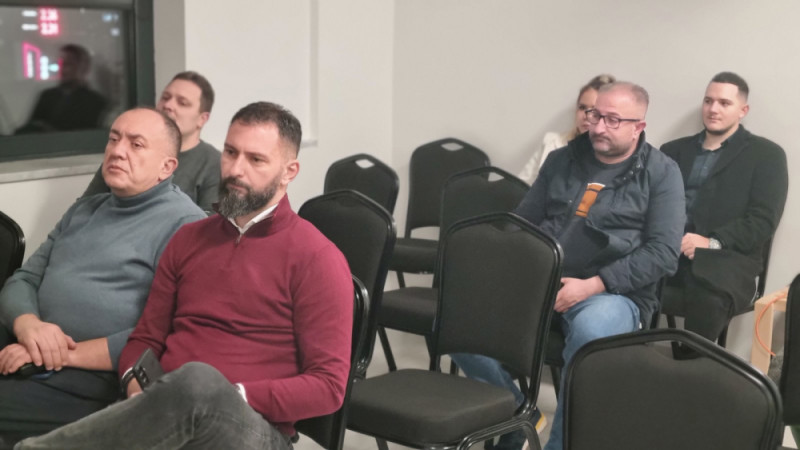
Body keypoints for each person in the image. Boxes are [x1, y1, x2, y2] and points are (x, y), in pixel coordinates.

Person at [16, 102, 354, 450]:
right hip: (167, 409)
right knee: (187, 386)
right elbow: (146, 338)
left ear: (288, 171)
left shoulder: (317, 258)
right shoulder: (189, 238)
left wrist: (229, 395)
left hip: (253, 429)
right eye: (230, 152)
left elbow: (328, 387)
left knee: (199, 380)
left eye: (255, 159)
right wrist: (136, 387)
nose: (236, 169)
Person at [452, 82, 685, 450]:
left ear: (638, 127)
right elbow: (522, 223)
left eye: (612, 120)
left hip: (613, 293)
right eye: (595, 115)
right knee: (457, 314)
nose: (598, 127)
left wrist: (594, 284)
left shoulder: (661, 172)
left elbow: (664, 252)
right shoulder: (562, 160)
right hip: (543, 282)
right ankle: (516, 416)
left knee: (592, 330)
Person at [0, 108, 206, 446]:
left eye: (136, 144)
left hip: (90, 383)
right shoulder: (85, 209)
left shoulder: (187, 228)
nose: (118, 151)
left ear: (167, 167)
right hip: (26, 353)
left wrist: (58, 353)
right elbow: (23, 279)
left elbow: (167, 331)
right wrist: (29, 326)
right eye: (113, 139)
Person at [660, 72, 788, 344]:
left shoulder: (766, 155)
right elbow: (652, 205)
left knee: (708, 295)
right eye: (708, 101)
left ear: (743, 110)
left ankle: (691, 366)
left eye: (724, 103)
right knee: (623, 277)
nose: (713, 109)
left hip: (727, 261)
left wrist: (712, 242)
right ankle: (624, 358)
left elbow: (763, 219)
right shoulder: (672, 151)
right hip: (668, 252)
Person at [83, 71, 221, 213]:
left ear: (202, 119)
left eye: (182, 103)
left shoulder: (215, 163)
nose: (168, 105)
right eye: (165, 98)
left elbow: (211, 223)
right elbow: (84, 207)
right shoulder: (121, 152)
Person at [517, 74, 615, 184]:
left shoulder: (617, 158)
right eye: (582, 107)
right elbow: (520, 186)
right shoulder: (552, 142)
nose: (586, 116)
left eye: (595, 110)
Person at [15, 44, 107, 134]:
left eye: (69, 64)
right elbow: (31, 128)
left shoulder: (94, 101)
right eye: (61, 63)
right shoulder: (47, 96)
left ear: (83, 68)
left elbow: (85, 133)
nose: (63, 69)